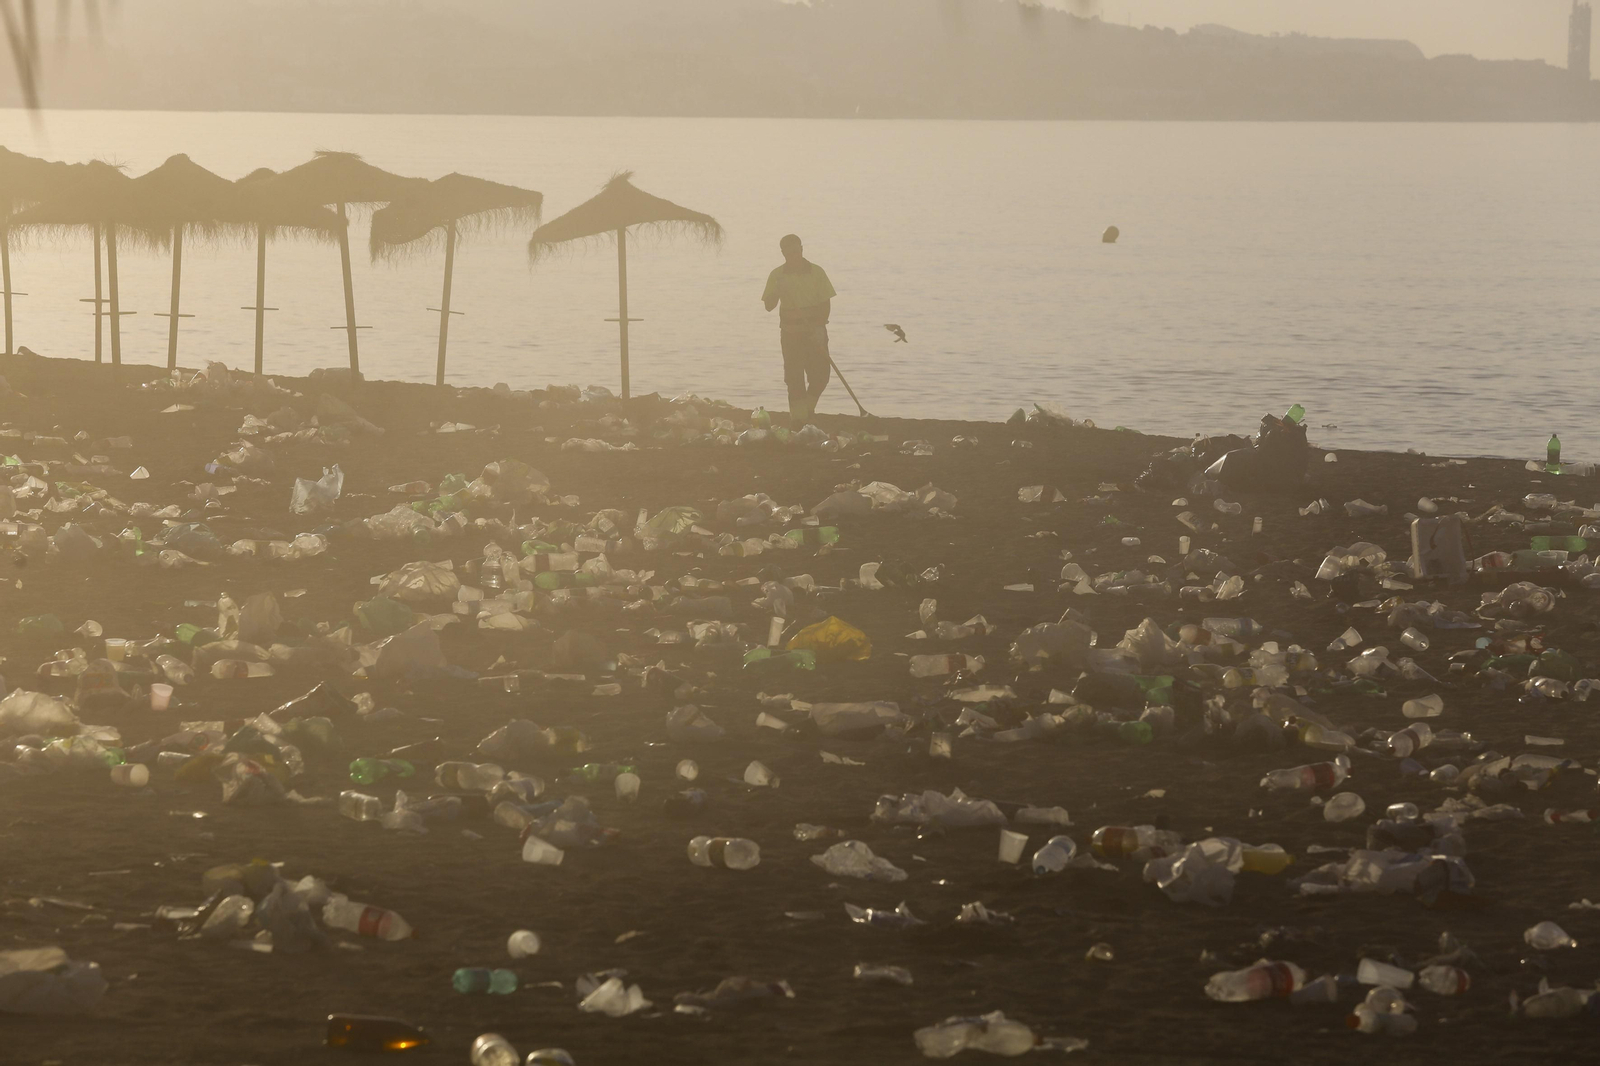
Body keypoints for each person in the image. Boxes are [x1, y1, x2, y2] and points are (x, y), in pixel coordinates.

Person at [761, 234, 836, 423]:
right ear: (783, 253)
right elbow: (768, 306)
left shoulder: (817, 272)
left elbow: (825, 304)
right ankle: (799, 419)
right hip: (790, 335)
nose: (795, 255)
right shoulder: (776, 275)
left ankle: (806, 410)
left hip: (815, 332)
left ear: (802, 249)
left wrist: (819, 328)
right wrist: (777, 291)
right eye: (790, 252)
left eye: (797, 250)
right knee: (794, 380)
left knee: (821, 377)